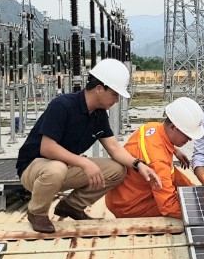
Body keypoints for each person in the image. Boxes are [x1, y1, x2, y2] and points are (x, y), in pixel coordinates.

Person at [15, 58, 161, 233]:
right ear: (99, 89)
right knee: (56, 169)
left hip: (64, 167)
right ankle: (37, 213)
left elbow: (114, 148)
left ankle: (72, 206)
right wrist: (84, 163)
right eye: (114, 94)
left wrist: (139, 165)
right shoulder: (62, 106)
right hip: (34, 169)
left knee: (117, 169)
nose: (116, 100)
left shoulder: (99, 115)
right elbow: (47, 148)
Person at [105, 97, 204, 219]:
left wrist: (175, 150)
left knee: (186, 188)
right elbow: (168, 206)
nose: (190, 139)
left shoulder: (152, 127)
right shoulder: (158, 161)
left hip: (120, 194)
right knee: (184, 205)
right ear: (173, 127)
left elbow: (157, 148)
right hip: (129, 206)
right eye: (187, 134)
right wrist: (202, 212)